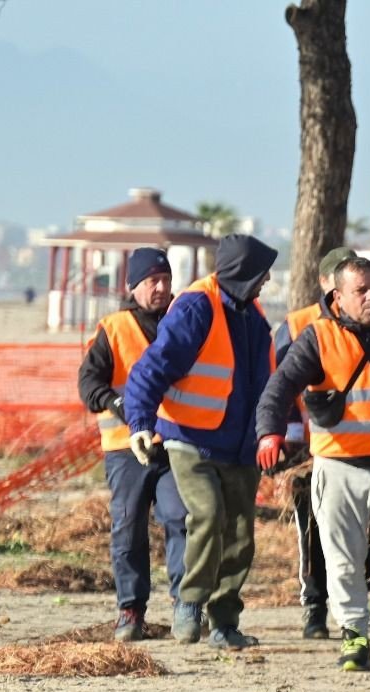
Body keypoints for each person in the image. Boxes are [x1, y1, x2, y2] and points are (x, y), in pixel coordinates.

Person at [256, 256, 370, 672]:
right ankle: (354, 634)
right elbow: (279, 387)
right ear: (338, 296)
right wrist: (269, 432)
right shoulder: (318, 336)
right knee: (343, 559)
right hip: (338, 466)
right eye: (361, 290)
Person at [123, 233, 277, 650]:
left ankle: (224, 623)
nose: (266, 281)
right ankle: (189, 603)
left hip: (240, 445)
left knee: (241, 535)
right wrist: (140, 422)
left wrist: (273, 433)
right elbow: (151, 368)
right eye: (262, 274)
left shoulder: (252, 314)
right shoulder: (196, 307)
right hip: (190, 437)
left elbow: (267, 382)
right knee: (208, 515)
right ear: (243, 273)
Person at [77, 247, 187, 642]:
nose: (161, 287)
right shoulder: (113, 328)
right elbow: (89, 384)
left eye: (166, 279)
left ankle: (185, 606)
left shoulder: (184, 321)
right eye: (152, 280)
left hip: (174, 443)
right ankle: (131, 610)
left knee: (181, 519)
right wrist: (116, 403)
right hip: (125, 449)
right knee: (128, 526)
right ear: (134, 285)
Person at [273, 245, 370, 640]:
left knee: (367, 534)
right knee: (312, 532)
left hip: (365, 449)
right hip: (309, 449)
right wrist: (289, 437)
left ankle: (360, 609)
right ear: (324, 283)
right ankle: (315, 608)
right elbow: (280, 385)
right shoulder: (297, 324)